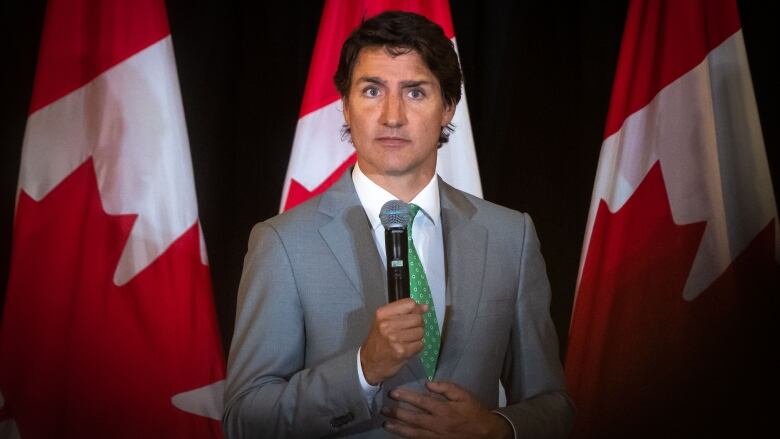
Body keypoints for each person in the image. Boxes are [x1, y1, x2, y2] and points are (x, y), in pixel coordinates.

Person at [223, 11, 573, 438]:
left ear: (447, 107)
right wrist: (362, 370)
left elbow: (555, 406)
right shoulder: (281, 243)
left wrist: (496, 428)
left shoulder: (510, 236)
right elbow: (244, 420)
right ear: (345, 106)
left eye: (415, 92)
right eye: (372, 90)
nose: (392, 115)